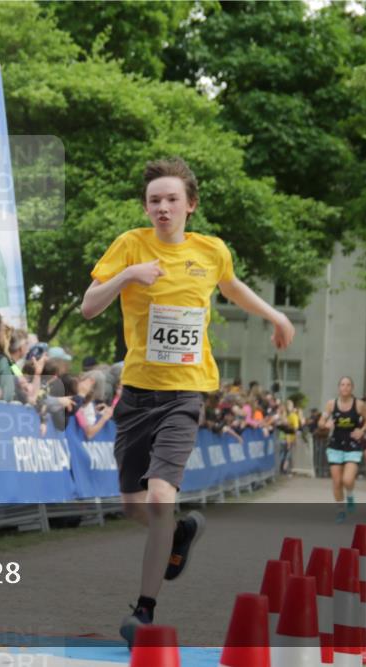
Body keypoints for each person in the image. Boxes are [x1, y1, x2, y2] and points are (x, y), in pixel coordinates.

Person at [80, 157, 295, 647]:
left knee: (159, 498)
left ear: (190, 206)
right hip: (136, 392)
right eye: (154, 200)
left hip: (186, 391)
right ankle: (179, 535)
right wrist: (129, 275)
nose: (162, 207)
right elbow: (90, 307)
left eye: (172, 199)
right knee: (135, 506)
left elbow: (231, 286)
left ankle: (144, 611)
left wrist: (275, 315)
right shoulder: (129, 246)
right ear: (146, 206)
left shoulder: (211, 250)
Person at [319, 377, 366, 523]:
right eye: (342, 384)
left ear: (352, 388)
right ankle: (340, 511)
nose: (345, 387)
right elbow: (321, 421)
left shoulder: (359, 405)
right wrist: (325, 424)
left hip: (352, 445)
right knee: (337, 481)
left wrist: (362, 430)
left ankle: (351, 494)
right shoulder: (331, 404)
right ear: (339, 387)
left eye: (348, 385)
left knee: (347, 480)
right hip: (335, 445)